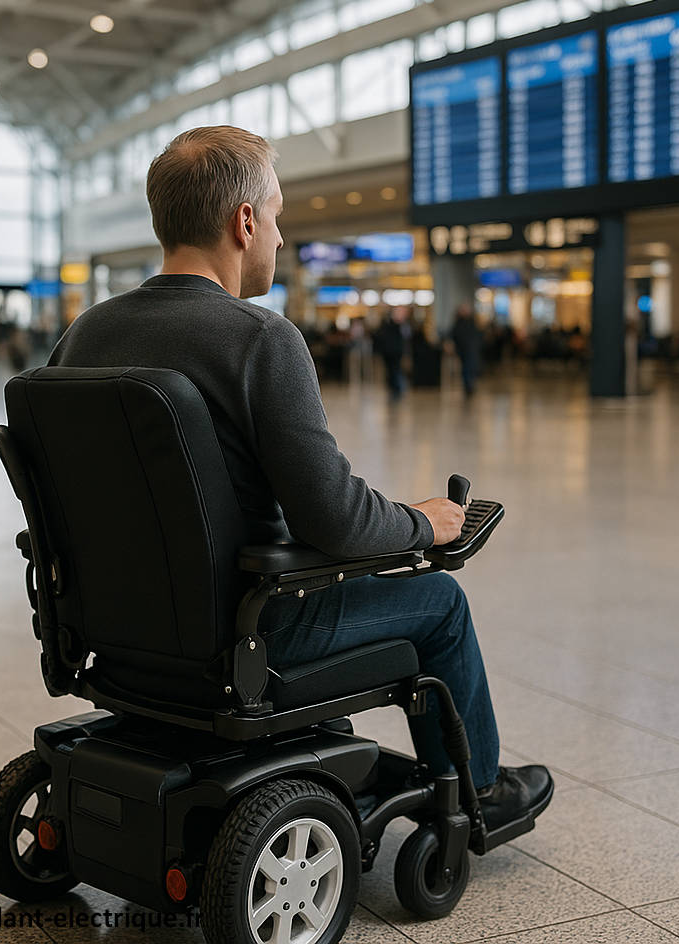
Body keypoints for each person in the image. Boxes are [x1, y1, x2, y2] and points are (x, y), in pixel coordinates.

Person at [48, 126, 552, 830]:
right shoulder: (259, 338)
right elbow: (335, 522)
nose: (281, 238)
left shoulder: (84, 335)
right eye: (278, 217)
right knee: (438, 598)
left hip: (114, 635)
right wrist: (423, 522)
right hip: (247, 631)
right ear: (244, 222)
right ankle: (478, 792)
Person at [451, 304, 481, 397]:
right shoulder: (458, 323)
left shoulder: (472, 322)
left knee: (471, 368)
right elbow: (454, 335)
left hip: (471, 350)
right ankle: (468, 386)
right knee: (466, 369)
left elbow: (477, 335)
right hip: (463, 350)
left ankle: (470, 385)